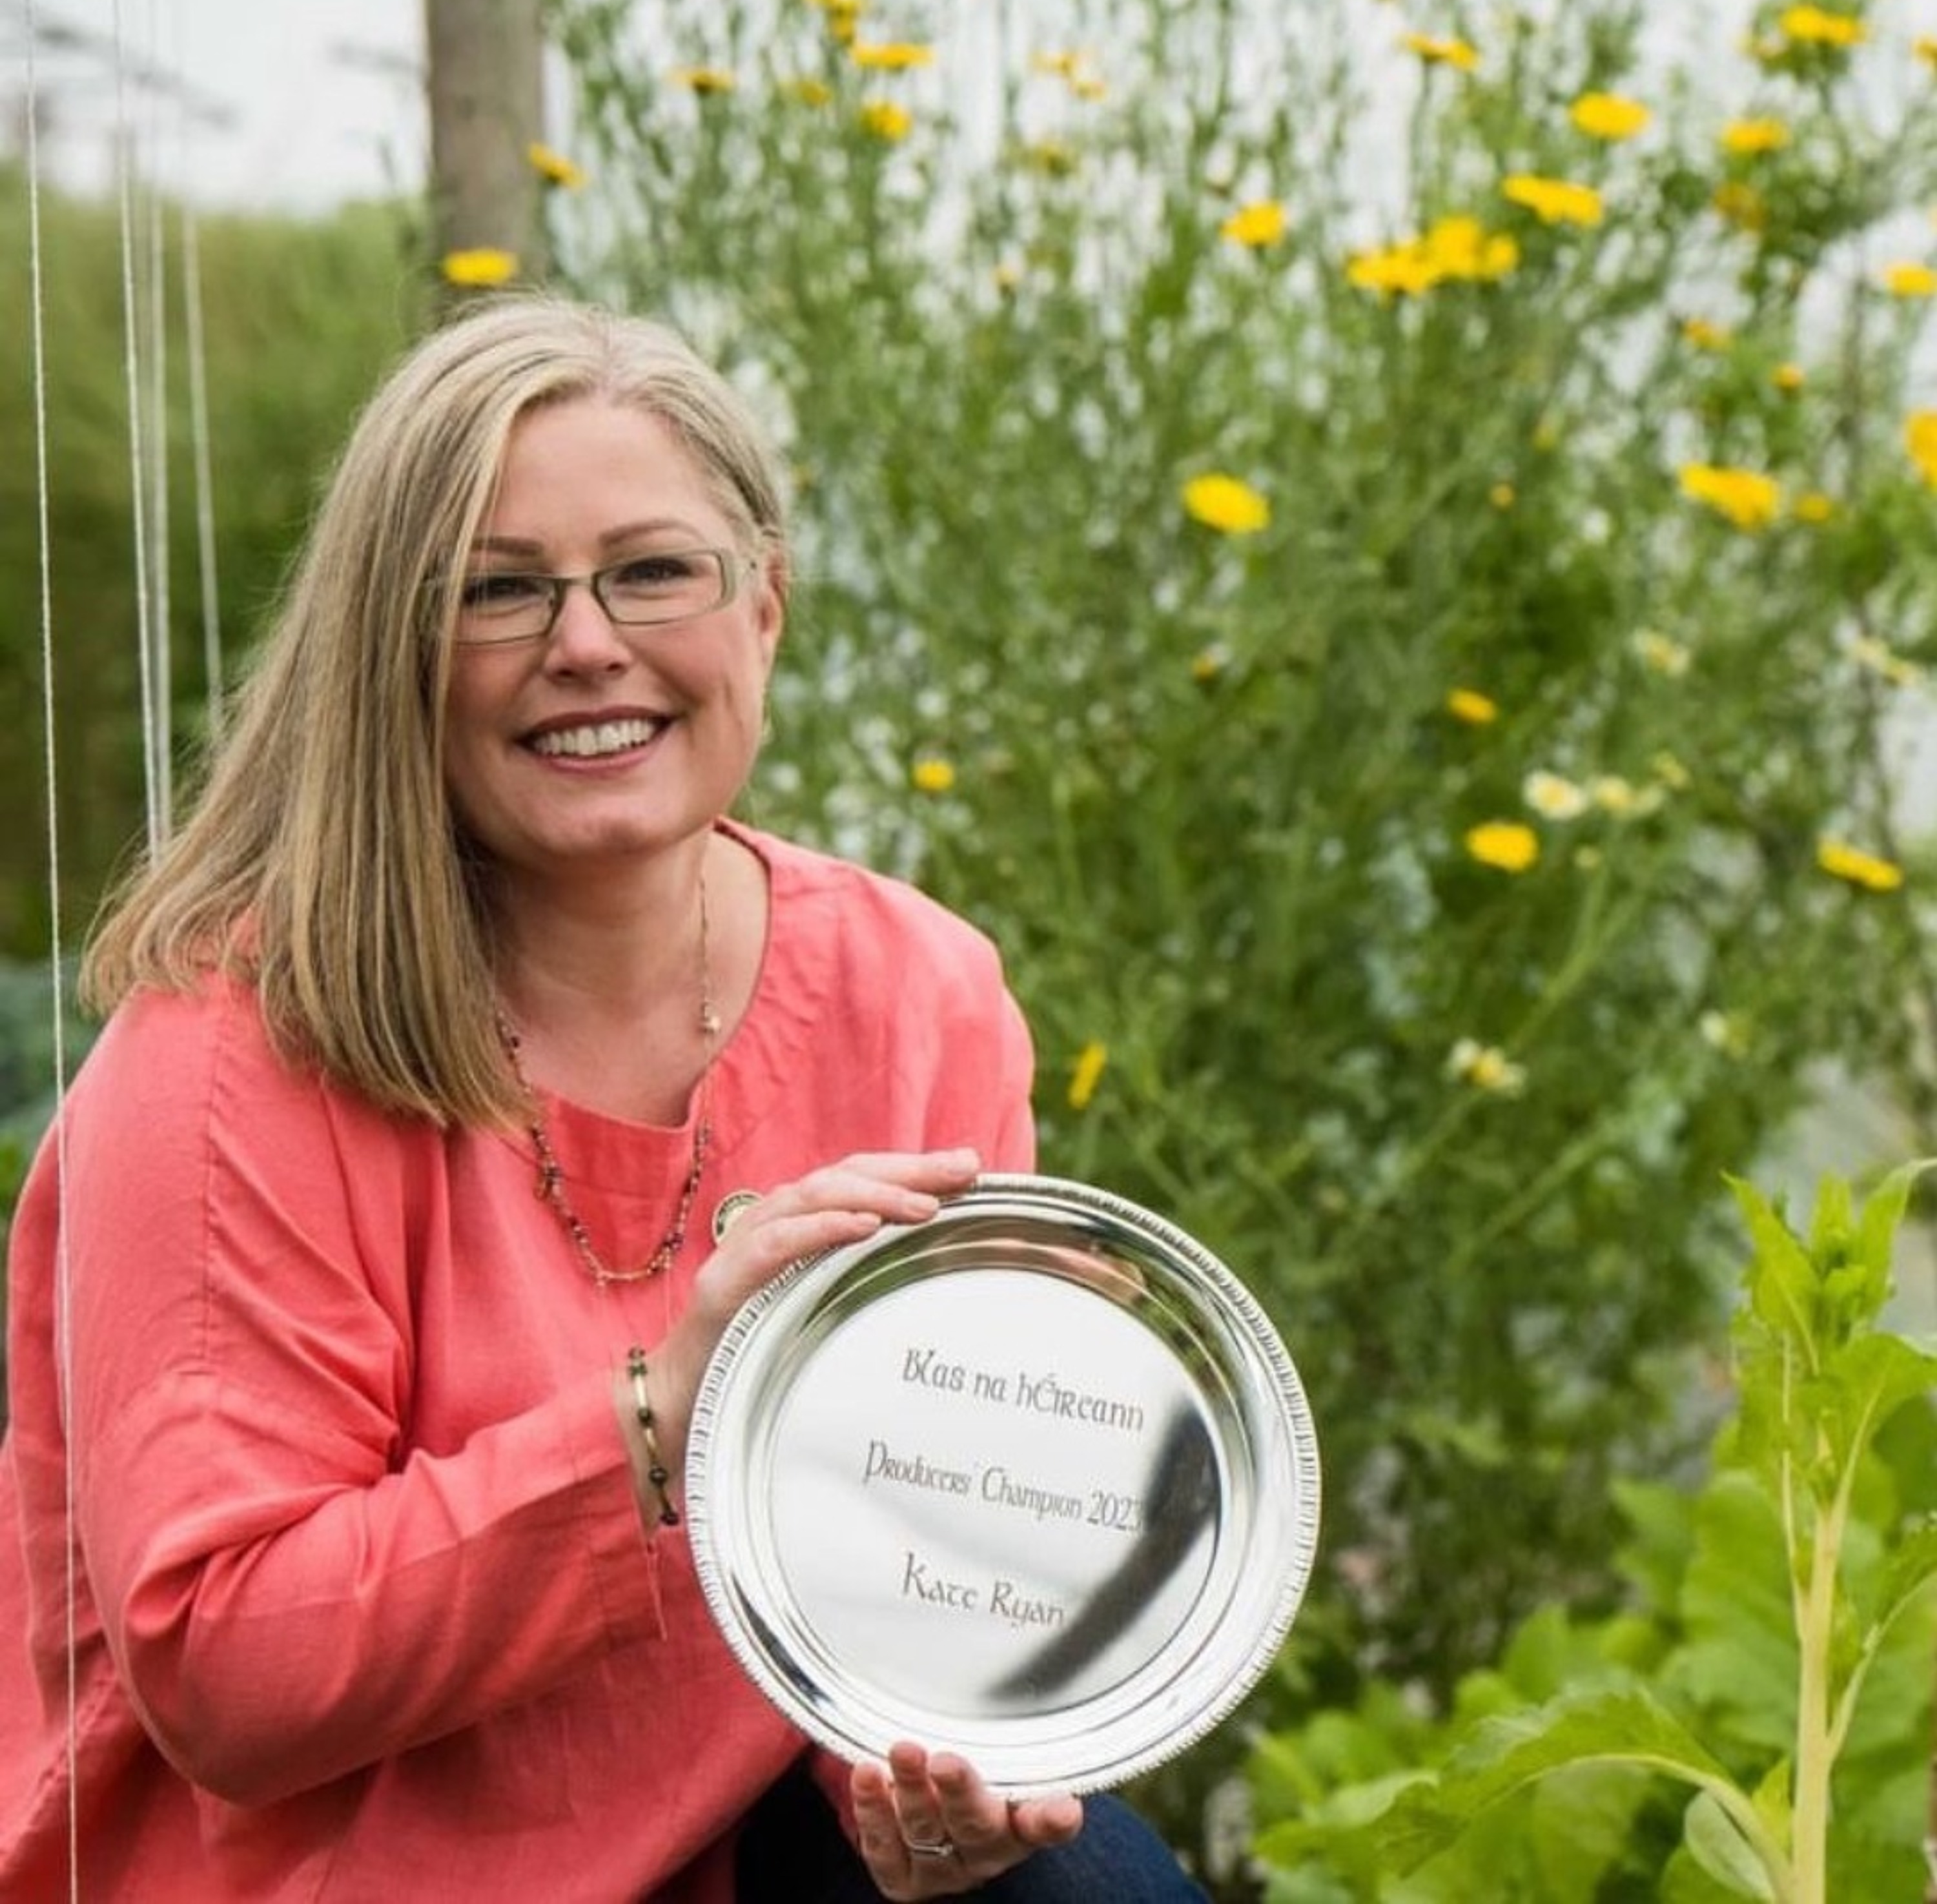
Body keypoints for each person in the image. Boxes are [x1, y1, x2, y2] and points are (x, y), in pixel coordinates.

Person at [0, 294, 1209, 1902]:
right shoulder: (231, 1051)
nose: (585, 643)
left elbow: (910, 1553)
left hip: (733, 1847)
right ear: (393, 656)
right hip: (332, 1880)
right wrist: (666, 1413)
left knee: (1077, 1885)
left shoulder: (915, 993)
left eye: (652, 571)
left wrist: (919, 1780)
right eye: (497, 589)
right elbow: (226, 1673)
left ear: (764, 607)